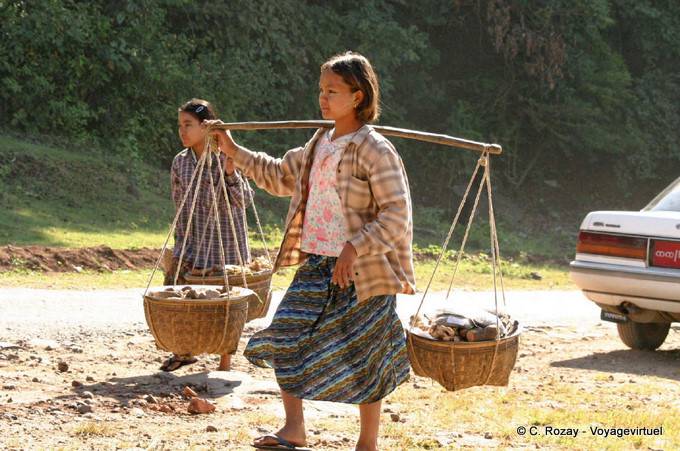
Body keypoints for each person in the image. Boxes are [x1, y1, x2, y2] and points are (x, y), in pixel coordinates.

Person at [207, 51, 415, 451]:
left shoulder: (375, 149)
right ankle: (294, 429)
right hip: (318, 262)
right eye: (321, 90)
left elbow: (396, 214)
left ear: (357, 97)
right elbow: (279, 175)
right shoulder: (319, 142)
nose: (323, 98)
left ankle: (367, 443)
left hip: (363, 269)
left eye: (332, 91)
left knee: (366, 352)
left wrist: (354, 247)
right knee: (285, 337)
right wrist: (233, 150)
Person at [160, 98, 253, 372]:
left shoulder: (226, 156)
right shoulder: (181, 162)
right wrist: (179, 245)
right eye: (180, 125)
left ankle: (225, 360)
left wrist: (230, 173)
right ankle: (183, 350)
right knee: (179, 292)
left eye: (188, 125)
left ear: (206, 127)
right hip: (192, 239)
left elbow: (244, 200)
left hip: (224, 241)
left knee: (226, 301)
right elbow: (180, 205)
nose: (182, 131)